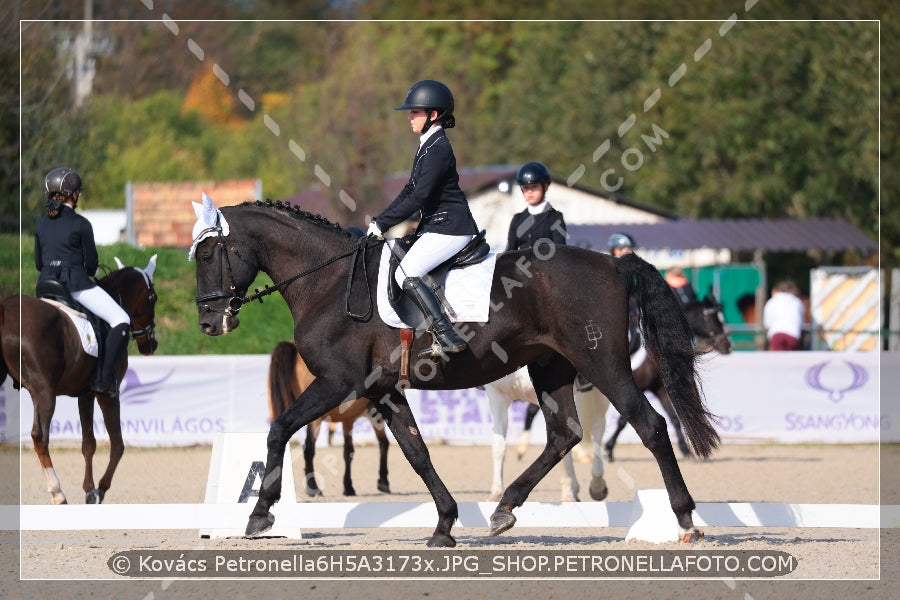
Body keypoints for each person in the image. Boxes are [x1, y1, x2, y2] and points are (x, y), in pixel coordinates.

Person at [367, 80, 479, 358]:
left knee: (405, 273)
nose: (409, 117)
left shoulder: (438, 147)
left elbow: (419, 197)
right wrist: (381, 220)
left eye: (415, 112)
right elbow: (409, 189)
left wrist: (383, 224)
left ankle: (446, 335)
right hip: (436, 226)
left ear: (433, 115)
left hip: (451, 228)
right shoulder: (428, 145)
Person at [35, 167, 131, 396]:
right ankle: (103, 379)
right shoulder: (81, 223)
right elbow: (91, 266)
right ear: (72, 193)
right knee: (121, 319)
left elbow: (39, 263)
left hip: (45, 286)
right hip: (75, 286)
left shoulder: (41, 223)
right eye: (77, 192)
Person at [505, 161, 566, 251]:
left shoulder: (555, 217)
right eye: (526, 187)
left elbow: (560, 250)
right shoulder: (517, 220)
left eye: (534, 187)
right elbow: (509, 251)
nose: (530, 192)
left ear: (545, 186)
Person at [763, 279, 805, 351]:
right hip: (793, 334)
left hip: (776, 333)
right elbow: (801, 321)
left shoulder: (772, 301)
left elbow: (767, 322)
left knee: (778, 359)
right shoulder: (797, 301)